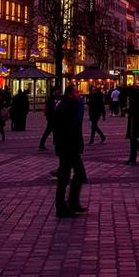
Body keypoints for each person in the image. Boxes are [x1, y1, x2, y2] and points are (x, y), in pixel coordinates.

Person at [53, 84, 87, 218]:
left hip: (67, 147)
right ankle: (64, 206)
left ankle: (69, 204)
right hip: (68, 147)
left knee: (66, 176)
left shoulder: (66, 106)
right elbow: (69, 129)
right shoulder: (65, 107)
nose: (79, 94)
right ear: (70, 94)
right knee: (72, 175)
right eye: (76, 92)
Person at [39, 86, 60, 150]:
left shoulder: (53, 98)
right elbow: (51, 109)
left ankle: (54, 143)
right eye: (57, 90)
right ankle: (42, 144)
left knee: (53, 131)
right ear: (54, 91)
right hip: (52, 118)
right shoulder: (51, 99)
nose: (58, 92)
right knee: (49, 131)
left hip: (52, 117)